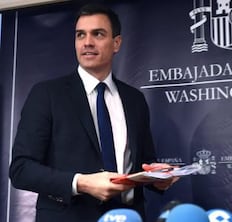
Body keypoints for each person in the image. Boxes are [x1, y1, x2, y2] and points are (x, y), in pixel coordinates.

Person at [9, 3, 177, 222]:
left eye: (98, 34)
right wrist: (81, 183)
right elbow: (21, 170)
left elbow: (143, 162)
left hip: (130, 217)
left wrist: (156, 177)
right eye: (81, 35)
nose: (87, 42)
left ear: (116, 43)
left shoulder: (135, 99)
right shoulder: (47, 94)